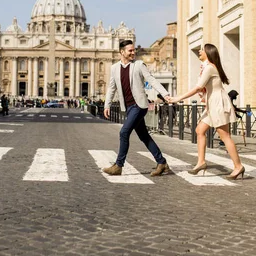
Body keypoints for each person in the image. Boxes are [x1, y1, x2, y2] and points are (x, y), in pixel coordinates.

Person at [168, 43, 245, 180]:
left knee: (225, 136)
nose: (199, 51)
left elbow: (198, 88)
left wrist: (178, 98)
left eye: (202, 50)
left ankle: (238, 166)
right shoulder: (208, 67)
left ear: (208, 52)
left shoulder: (209, 68)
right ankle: (201, 162)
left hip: (217, 103)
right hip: (212, 103)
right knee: (200, 130)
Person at [103, 39, 172, 177]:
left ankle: (118, 165)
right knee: (144, 136)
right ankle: (162, 162)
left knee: (124, 132)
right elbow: (111, 87)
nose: (133, 52)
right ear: (122, 52)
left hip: (139, 105)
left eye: (134, 50)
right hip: (128, 107)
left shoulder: (139, 65)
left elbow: (151, 80)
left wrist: (165, 94)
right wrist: (107, 104)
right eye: (130, 50)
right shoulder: (114, 68)